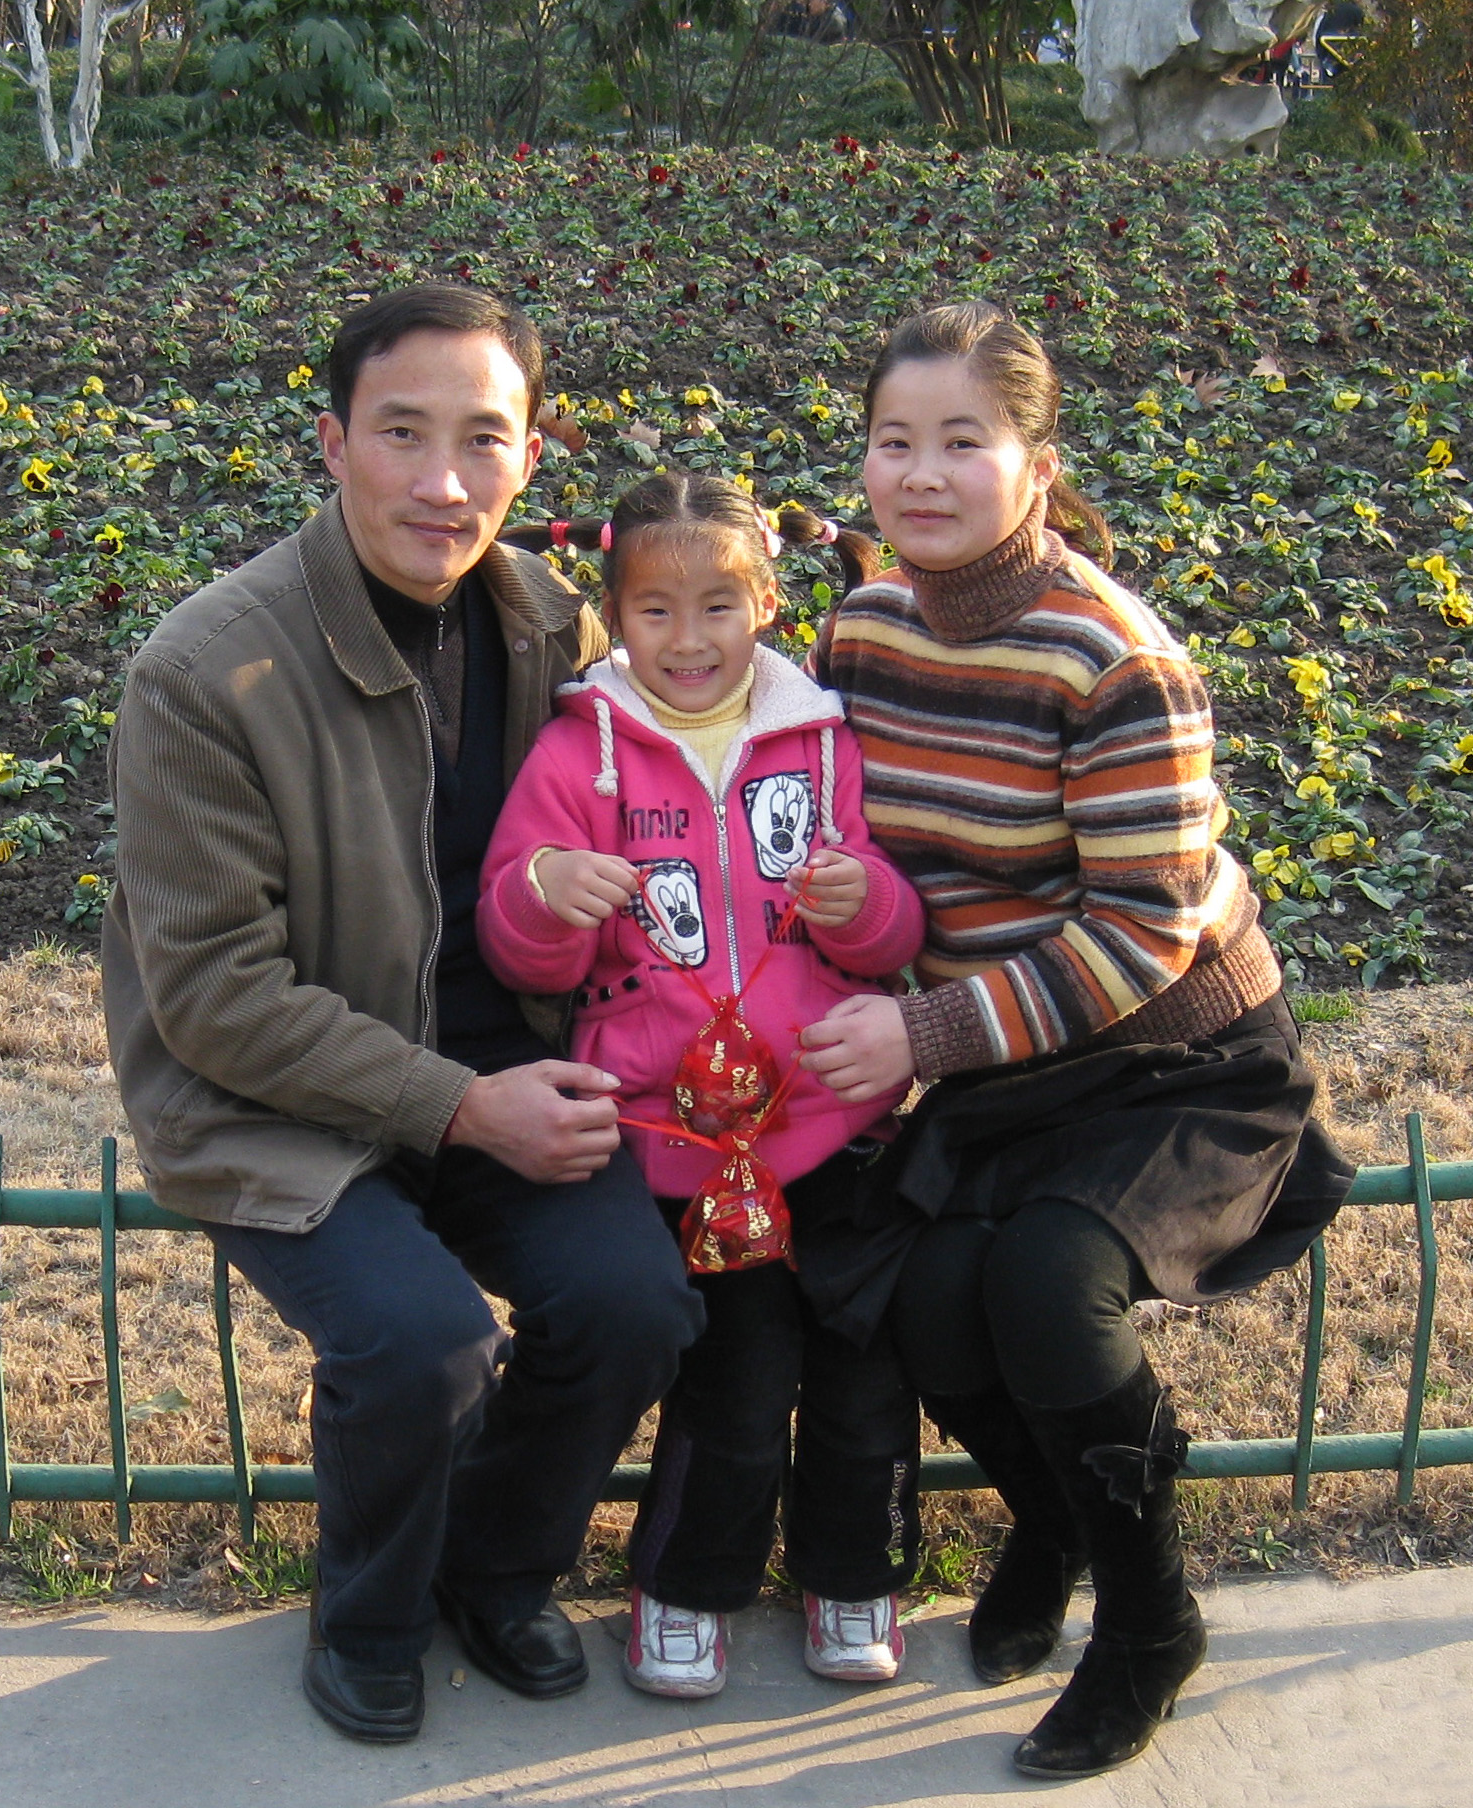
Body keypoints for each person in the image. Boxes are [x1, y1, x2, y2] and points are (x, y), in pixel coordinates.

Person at [102, 284, 703, 1745]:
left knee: (632, 1304)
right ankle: (366, 1614)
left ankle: (492, 1570)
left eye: (483, 439)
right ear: (332, 443)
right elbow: (215, 995)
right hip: (274, 1094)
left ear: (531, 456)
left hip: (502, 1058)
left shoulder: (555, 629)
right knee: (422, 1342)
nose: (444, 482)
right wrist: (461, 1108)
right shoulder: (206, 669)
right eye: (401, 433)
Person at [797, 300, 1353, 1780]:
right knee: (931, 1304)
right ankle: (1050, 1525)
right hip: (1007, 1058)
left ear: (1036, 465)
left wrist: (919, 1031)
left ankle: (1151, 1622)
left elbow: (1142, 934)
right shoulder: (859, 630)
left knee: (1049, 1283)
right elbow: (823, 830)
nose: (920, 474)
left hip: (1175, 1054)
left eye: (961, 442)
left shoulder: (1114, 658)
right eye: (892, 441)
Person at [479, 476, 928, 1698]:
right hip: (681, 1138)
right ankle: (685, 1583)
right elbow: (522, 955)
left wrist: (867, 904)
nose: (688, 639)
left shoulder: (825, 741)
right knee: (734, 1375)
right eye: (655, 610)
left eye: (718, 605)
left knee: (864, 1361)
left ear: (767, 603)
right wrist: (543, 897)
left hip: (832, 1118)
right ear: (613, 614)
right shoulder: (577, 756)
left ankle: (855, 1570)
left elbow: (894, 934)